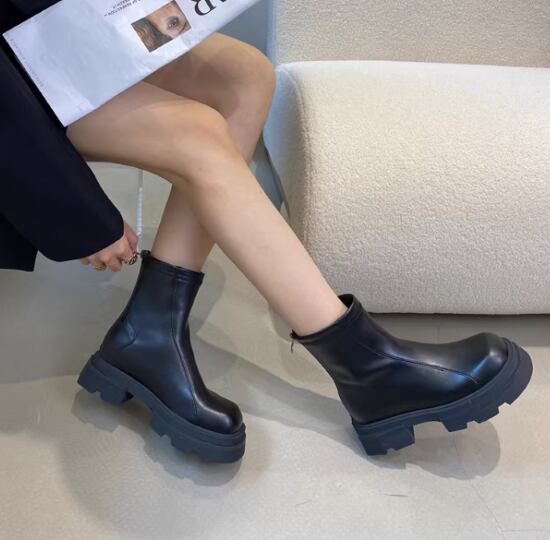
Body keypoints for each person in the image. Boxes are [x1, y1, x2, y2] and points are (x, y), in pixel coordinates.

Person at [1, 5, 533, 463]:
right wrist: (76, 212)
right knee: (197, 134)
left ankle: (150, 330)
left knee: (246, 75)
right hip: (14, 84)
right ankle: (368, 368)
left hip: (47, 28)